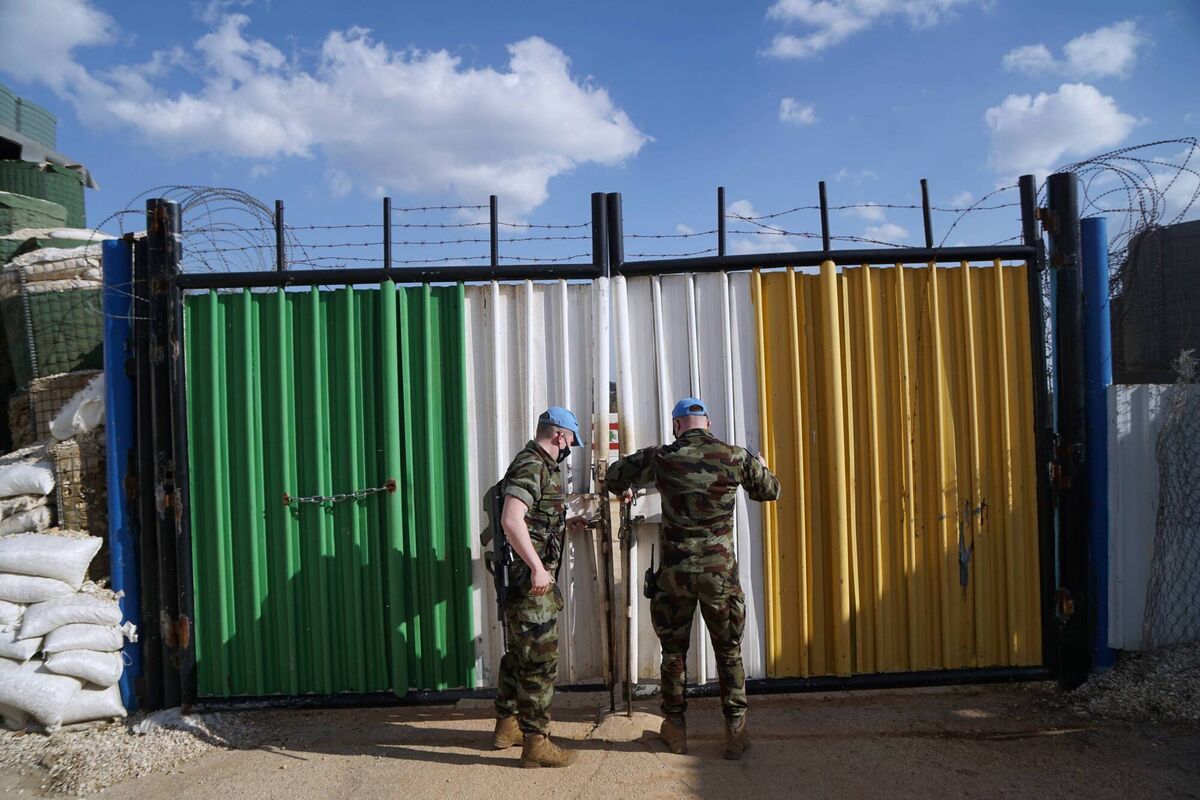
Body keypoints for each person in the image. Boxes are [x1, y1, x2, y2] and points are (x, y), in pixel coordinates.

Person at [607, 397, 780, 759]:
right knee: (729, 651)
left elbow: (613, 477)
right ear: (708, 423)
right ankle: (736, 731)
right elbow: (769, 491)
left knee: (673, 653)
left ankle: (675, 729)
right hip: (720, 576)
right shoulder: (734, 457)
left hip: (676, 575)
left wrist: (628, 487)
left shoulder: (663, 457)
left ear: (676, 425)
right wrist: (761, 465)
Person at [491, 406, 588, 768]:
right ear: (559, 435)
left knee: (519, 656)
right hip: (529, 584)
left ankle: (507, 726)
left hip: (521, 581)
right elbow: (511, 519)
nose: (568, 450)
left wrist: (562, 527)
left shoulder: (536, 465)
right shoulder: (533, 465)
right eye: (570, 442)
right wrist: (536, 568)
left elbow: (532, 521)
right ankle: (536, 743)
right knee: (539, 662)